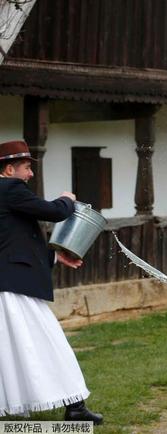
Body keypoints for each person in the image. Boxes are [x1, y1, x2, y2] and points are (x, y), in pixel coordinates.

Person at [0, 140, 103, 424]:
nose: (30, 174)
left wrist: (56, 257)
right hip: (13, 287)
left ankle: (73, 406)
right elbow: (54, 212)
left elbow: (16, 241)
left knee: (14, 351)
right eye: (26, 167)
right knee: (49, 343)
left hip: (9, 283)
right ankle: (75, 408)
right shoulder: (9, 189)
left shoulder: (7, 195)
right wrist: (67, 199)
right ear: (9, 169)